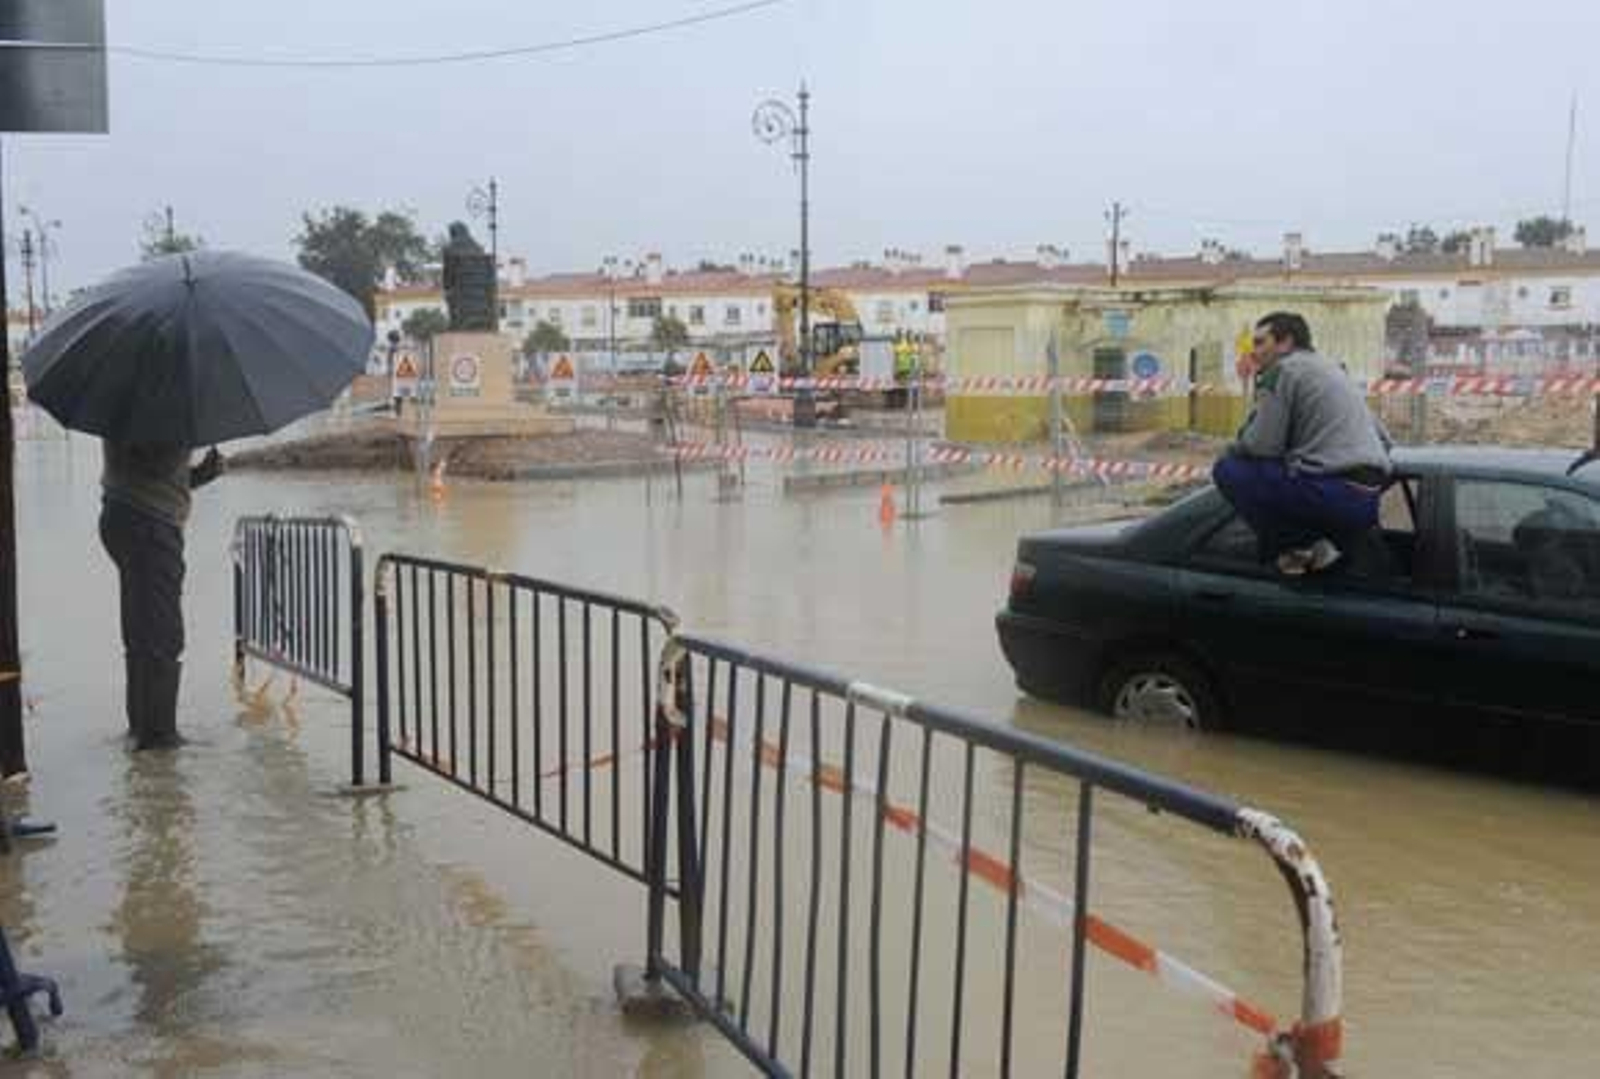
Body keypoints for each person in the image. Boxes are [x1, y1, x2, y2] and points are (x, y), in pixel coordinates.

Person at [1213, 312, 1392, 575]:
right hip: (1368, 499)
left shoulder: (1283, 370)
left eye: (1261, 342)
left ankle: (1298, 546)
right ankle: (1322, 545)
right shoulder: (1334, 369)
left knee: (1228, 468)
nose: (1255, 351)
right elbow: (1385, 440)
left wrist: (1233, 445)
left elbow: (1262, 446)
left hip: (1329, 495)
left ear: (1285, 342)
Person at [100, 443, 226, 749]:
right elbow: (155, 464)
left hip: (126, 514)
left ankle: (142, 728)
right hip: (149, 523)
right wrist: (191, 440)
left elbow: (152, 471)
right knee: (162, 634)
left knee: (141, 629)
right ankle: (158, 739)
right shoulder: (158, 410)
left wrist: (200, 474)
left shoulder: (132, 403)